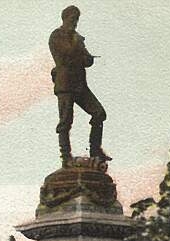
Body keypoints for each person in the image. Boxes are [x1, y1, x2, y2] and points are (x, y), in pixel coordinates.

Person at [49, 5, 110, 166]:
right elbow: (64, 56)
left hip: (80, 85)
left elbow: (86, 61)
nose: (75, 23)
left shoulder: (76, 37)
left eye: (76, 20)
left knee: (99, 113)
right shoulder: (56, 36)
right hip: (65, 85)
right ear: (65, 18)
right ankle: (66, 157)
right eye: (72, 19)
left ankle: (95, 150)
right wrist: (77, 44)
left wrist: (88, 57)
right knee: (65, 121)